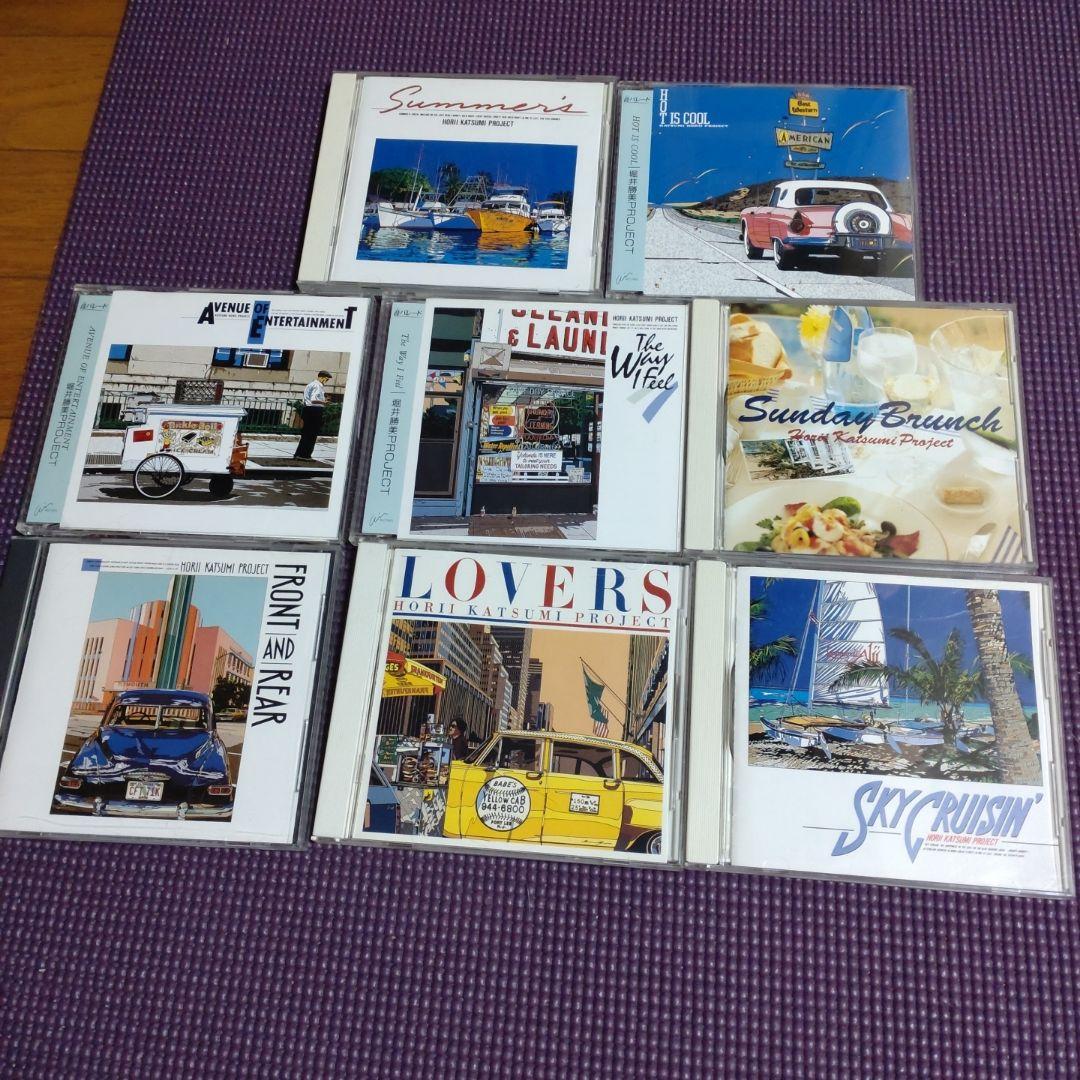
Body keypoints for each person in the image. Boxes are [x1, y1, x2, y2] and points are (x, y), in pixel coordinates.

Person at [294, 370, 332, 459]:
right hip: (314, 410)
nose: (326, 381)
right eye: (326, 379)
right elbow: (314, 400)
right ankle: (305, 455)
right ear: (321, 377)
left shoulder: (311, 384)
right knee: (311, 434)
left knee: (307, 433)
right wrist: (324, 402)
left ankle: (300, 454)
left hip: (308, 409)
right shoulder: (317, 386)